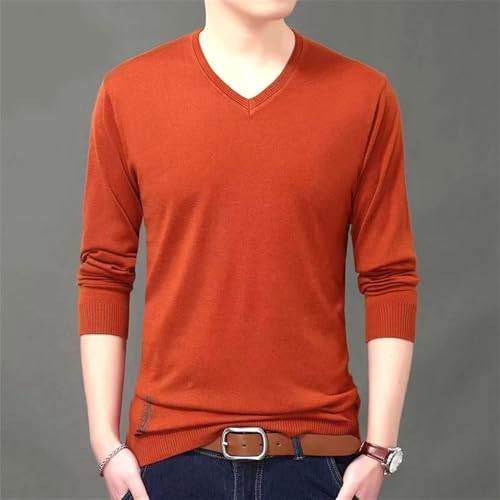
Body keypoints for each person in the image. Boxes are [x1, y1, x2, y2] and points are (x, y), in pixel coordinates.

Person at [76, 1, 420, 499]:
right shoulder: (128, 93)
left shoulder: (363, 97)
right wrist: (104, 442)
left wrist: (378, 451)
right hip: (168, 463)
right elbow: (104, 272)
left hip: (318, 461)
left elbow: (390, 278)